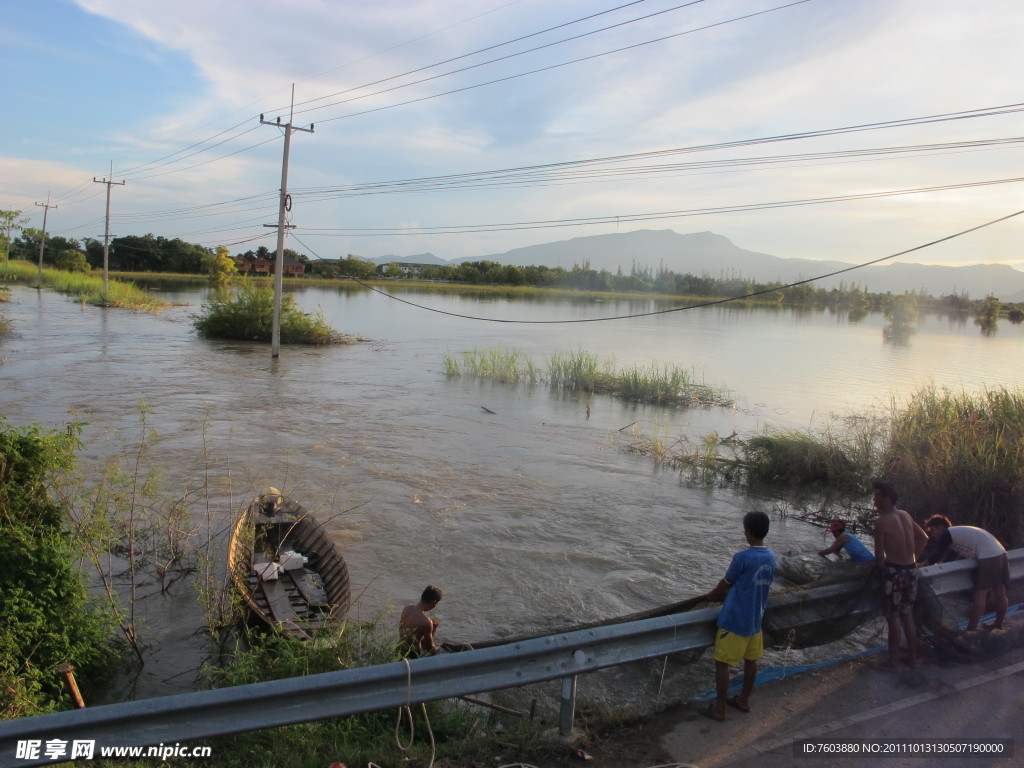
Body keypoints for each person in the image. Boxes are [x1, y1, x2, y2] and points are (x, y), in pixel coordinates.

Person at [702, 511, 775, 722]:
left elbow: (725, 584)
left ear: (749, 533)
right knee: (751, 660)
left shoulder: (742, 558)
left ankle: (720, 709)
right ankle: (743, 700)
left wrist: (711, 596)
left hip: (734, 619)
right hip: (755, 620)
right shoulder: (771, 557)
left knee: (721, 663)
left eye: (745, 530)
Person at [872, 480, 928, 672]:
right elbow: (923, 538)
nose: (874, 499)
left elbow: (879, 556)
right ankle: (912, 658)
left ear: (886, 499)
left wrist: (883, 571)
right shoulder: (905, 514)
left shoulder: (881, 522)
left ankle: (893, 663)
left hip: (894, 572)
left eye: (877, 496)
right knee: (907, 614)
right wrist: (912, 559)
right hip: (911, 570)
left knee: (893, 616)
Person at [922, 515, 1009, 631]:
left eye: (933, 530)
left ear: (941, 528)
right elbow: (949, 557)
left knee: (980, 594)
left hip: (988, 557)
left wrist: (922, 567)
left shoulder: (948, 534)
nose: (932, 534)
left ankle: (971, 629)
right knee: (1000, 592)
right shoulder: (956, 534)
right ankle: (998, 624)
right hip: (1001, 553)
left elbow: (937, 554)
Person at [399, 585, 443, 656]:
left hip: (398, 649)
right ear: (433, 603)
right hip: (412, 654)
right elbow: (429, 648)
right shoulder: (426, 622)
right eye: (436, 604)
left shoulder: (407, 608)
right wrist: (440, 649)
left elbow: (409, 634)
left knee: (433, 625)